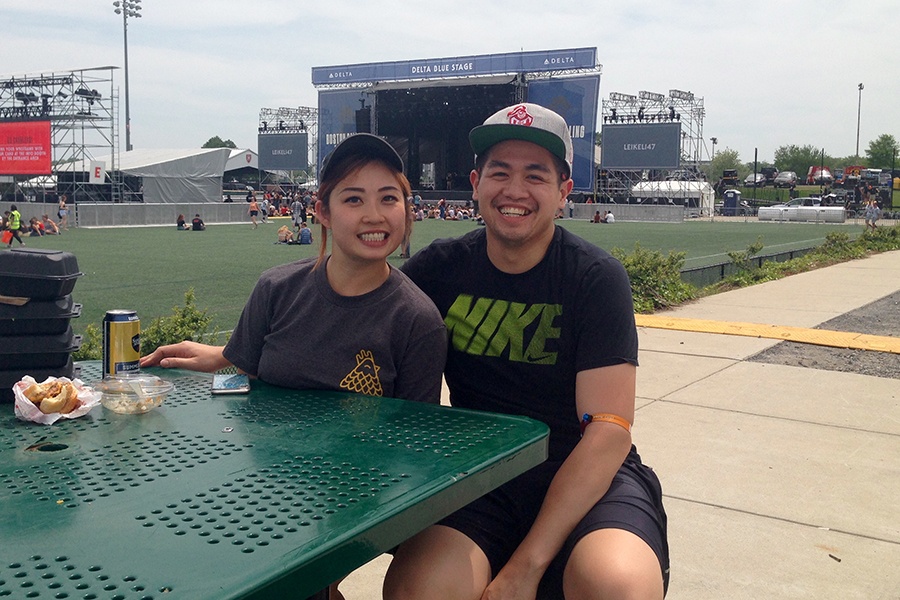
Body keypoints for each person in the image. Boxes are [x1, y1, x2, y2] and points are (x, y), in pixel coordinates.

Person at [385, 103, 669, 599]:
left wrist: (525, 568)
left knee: (618, 584)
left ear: (564, 191)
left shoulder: (594, 278)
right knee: (419, 590)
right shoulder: (440, 268)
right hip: (481, 475)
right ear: (475, 183)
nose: (514, 190)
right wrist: (236, 353)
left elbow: (607, 434)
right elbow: (355, 320)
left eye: (535, 175)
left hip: (585, 474)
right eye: (500, 172)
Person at [141, 131, 447, 428]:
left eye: (389, 198)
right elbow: (247, 387)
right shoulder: (276, 289)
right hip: (272, 472)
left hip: (362, 478)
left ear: (407, 210)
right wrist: (218, 357)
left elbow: (414, 441)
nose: (374, 215)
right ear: (323, 213)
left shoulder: (418, 322)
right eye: (354, 199)